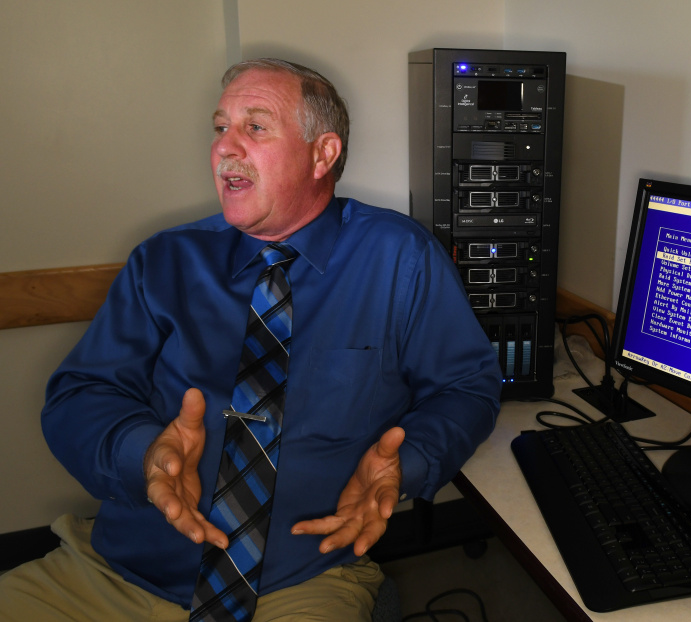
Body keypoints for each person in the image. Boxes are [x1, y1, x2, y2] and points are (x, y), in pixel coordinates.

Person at [0, 58, 502, 621]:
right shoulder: (164, 261)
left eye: (254, 127)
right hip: (121, 573)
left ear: (323, 153)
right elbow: (79, 393)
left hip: (304, 579)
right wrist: (145, 454)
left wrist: (408, 463)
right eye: (220, 128)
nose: (224, 149)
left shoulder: (401, 259)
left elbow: (467, 388)